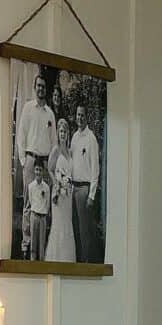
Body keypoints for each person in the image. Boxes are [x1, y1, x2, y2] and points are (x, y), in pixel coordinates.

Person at [16, 73, 57, 258]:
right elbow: (21, 136)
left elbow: (54, 141)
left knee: (45, 202)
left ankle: (43, 244)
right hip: (31, 160)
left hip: (46, 161)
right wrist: (25, 162)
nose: (41, 88)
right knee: (28, 203)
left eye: (43, 86)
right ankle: (27, 244)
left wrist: (53, 166)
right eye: (38, 85)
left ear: (46, 89)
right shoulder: (27, 108)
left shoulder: (50, 114)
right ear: (35, 87)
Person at [70, 102, 100, 261]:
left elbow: (96, 169)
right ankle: (78, 260)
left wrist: (91, 195)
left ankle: (87, 262)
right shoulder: (74, 137)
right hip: (73, 188)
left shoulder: (91, 139)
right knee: (75, 228)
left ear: (86, 117)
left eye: (82, 115)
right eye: (78, 115)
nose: (79, 118)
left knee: (85, 230)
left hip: (84, 190)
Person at [45, 118, 74, 261]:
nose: (63, 134)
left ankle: (67, 258)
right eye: (60, 131)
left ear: (68, 133)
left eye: (65, 131)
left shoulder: (69, 152)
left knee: (67, 223)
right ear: (58, 133)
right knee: (58, 224)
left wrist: (67, 184)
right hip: (58, 192)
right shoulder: (55, 150)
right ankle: (56, 257)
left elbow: (70, 172)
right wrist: (56, 183)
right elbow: (50, 169)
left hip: (68, 194)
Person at [27, 161, 50, 260]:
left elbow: (47, 203)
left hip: (43, 217)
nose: (38, 172)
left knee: (42, 243)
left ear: (43, 172)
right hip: (34, 215)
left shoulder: (46, 187)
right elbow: (31, 201)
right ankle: (32, 262)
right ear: (34, 170)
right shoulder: (31, 186)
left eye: (40, 170)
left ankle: (41, 262)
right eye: (36, 169)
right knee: (33, 242)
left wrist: (44, 214)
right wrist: (35, 212)